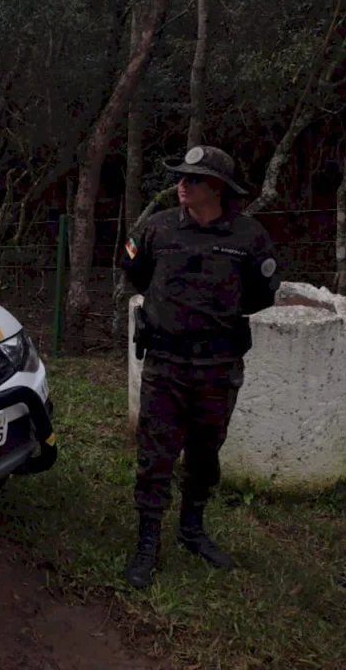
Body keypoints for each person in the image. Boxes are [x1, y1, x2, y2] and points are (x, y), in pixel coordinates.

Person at [120, 145, 280, 589]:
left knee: (205, 454)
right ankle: (147, 542)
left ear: (218, 188)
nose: (182, 185)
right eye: (181, 177)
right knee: (155, 455)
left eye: (193, 179)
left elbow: (260, 295)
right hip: (166, 363)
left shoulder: (248, 238)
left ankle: (192, 529)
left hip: (217, 366)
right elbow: (135, 274)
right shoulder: (157, 229)